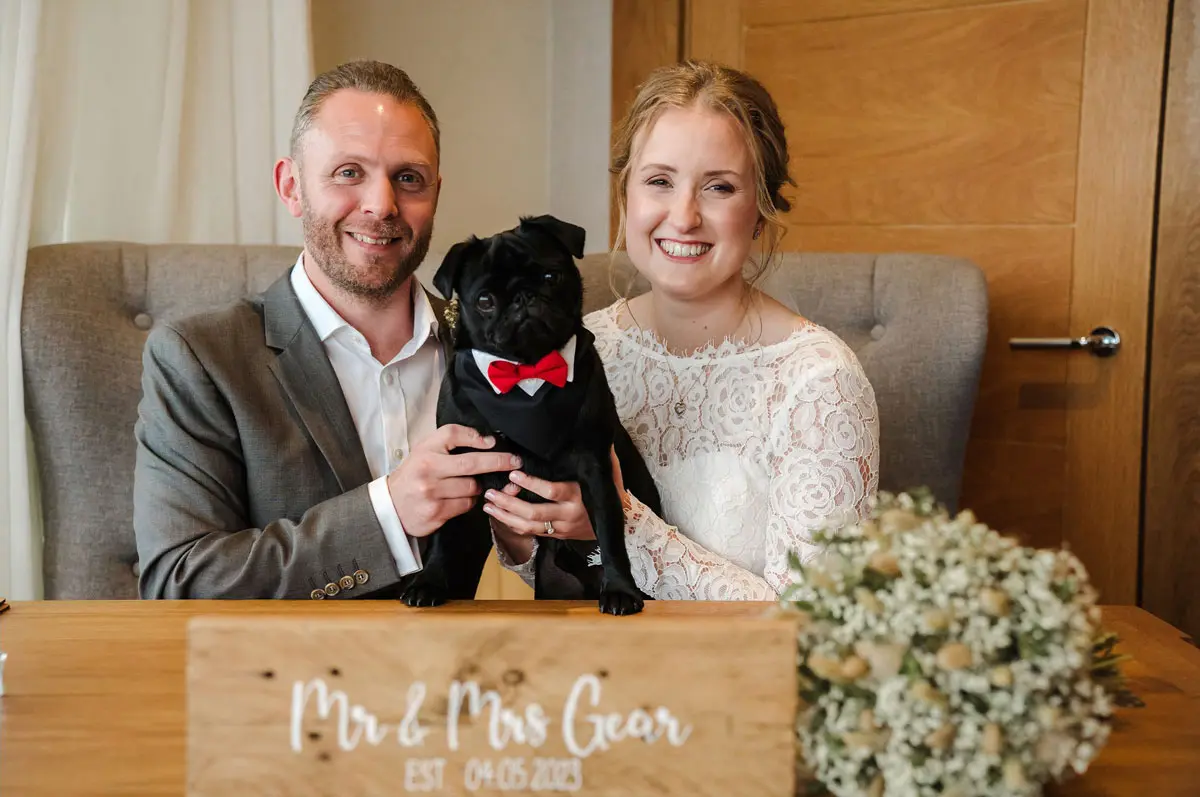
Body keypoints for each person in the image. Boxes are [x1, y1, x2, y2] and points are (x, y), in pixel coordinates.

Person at [133, 60, 529, 600]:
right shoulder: (201, 358)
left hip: (472, 676)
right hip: (288, 681)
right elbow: (180, 582)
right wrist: (388, 514)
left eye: (408, 178)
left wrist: (550, 538)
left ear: (436, 192)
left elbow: (573, 566)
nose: (381, 205)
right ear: (291, 187)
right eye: (349, 172)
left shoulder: (497, 348)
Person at [486, 61, 880, 600]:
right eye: (660, 182)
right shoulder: (573, 351)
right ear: (626, 195)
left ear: (760, 213)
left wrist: (620, 522)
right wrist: (522, 528)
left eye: (719, 187)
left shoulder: (819, 382)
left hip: (736, 681)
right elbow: (559, 575)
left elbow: (815, 631)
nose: (684, 216)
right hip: (586, 675)